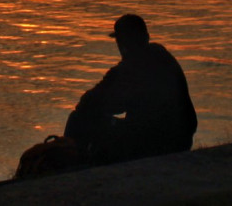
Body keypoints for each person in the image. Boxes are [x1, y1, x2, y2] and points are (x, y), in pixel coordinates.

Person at [63, 14, 197, 165]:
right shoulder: (161, 55)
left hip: (153, 143)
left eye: (121, 41)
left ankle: (69, 163)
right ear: (146, 37)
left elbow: (92, 102)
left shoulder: (130, 68)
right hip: (181, 141)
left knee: (78, 119)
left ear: (122, 43)